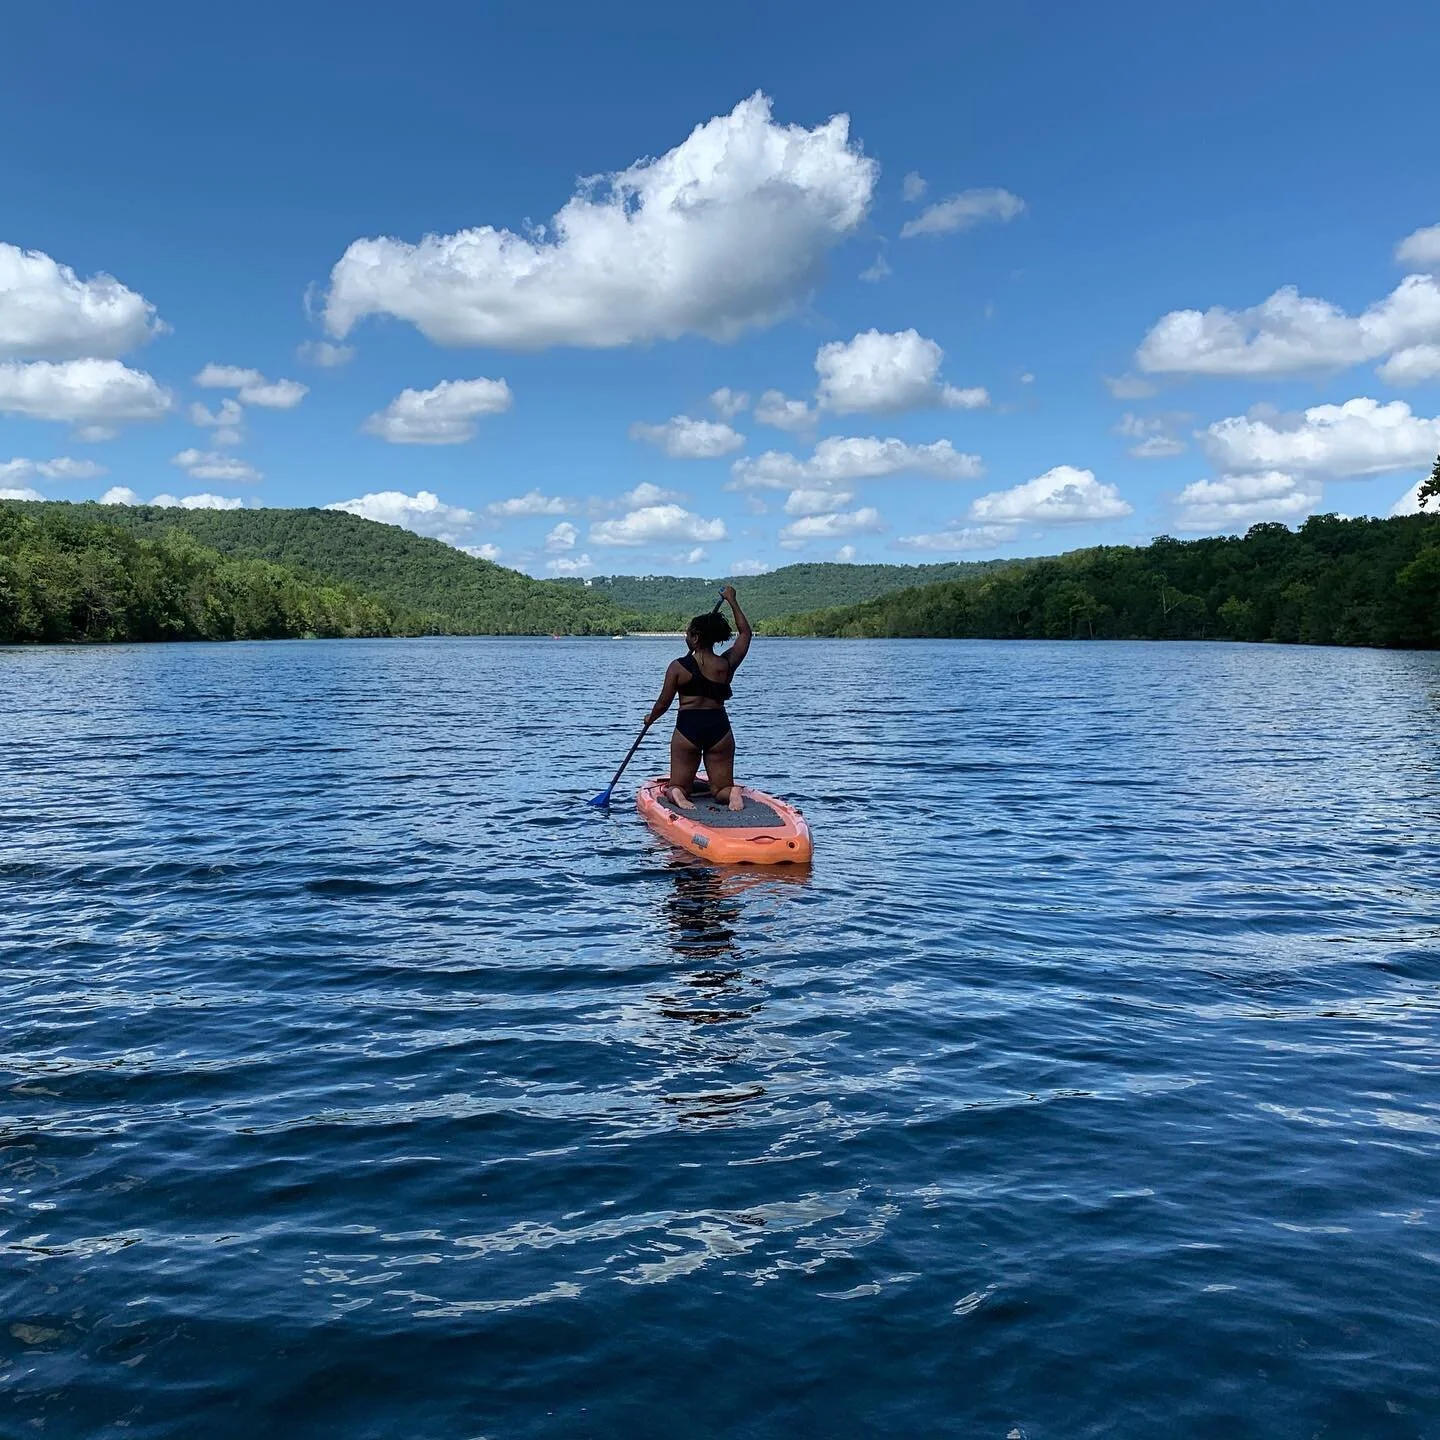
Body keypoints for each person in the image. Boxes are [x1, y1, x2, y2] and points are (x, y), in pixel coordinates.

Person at [644, 585, 752, 812]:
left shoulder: (677, 667)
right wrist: (732, 600)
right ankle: (731, 793)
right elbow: (745, 634)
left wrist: (650, 718)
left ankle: (678, 795)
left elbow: (663, 704)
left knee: (679, 786)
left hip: (688, 728)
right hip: (719, 728)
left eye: (687, 633)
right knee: (720, 788)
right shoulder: (726, 665)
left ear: (695, 637)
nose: (685, 636)